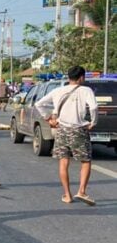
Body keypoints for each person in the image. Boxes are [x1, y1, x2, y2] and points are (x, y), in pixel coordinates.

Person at [35, 66, 98, 205]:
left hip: (62, 129)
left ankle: (67, 195)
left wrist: (48, 119)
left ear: (69, 77)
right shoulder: (86, 90)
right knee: (85, 161)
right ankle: (81, 191)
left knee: (64, 162)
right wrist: (93, 122)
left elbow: (39, 104)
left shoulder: (58, 90)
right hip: (79, 130)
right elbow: (93, 107)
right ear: (81, 77)